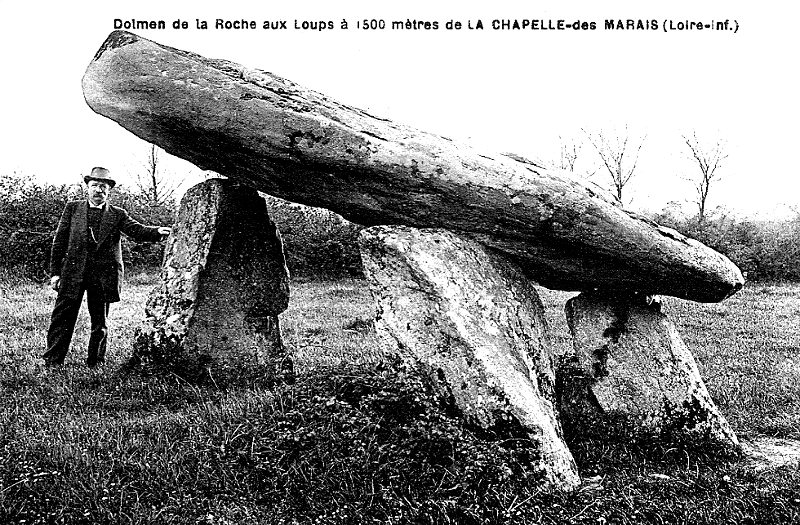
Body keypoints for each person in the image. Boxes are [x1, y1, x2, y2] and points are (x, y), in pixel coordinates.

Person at [43, 167, 172, 368]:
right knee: (62, 319)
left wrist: (158, 232)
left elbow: (137, 230)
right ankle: (52, 361)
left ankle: (96, 363)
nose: (98, 190)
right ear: (87, 187)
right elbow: (59, 241)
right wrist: (54, 274)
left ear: (109, 190)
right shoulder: (72, 208)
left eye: (103, 187)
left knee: (100, 322)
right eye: (94, 186)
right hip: (73, 273)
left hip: (102, 276)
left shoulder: (117, 214)